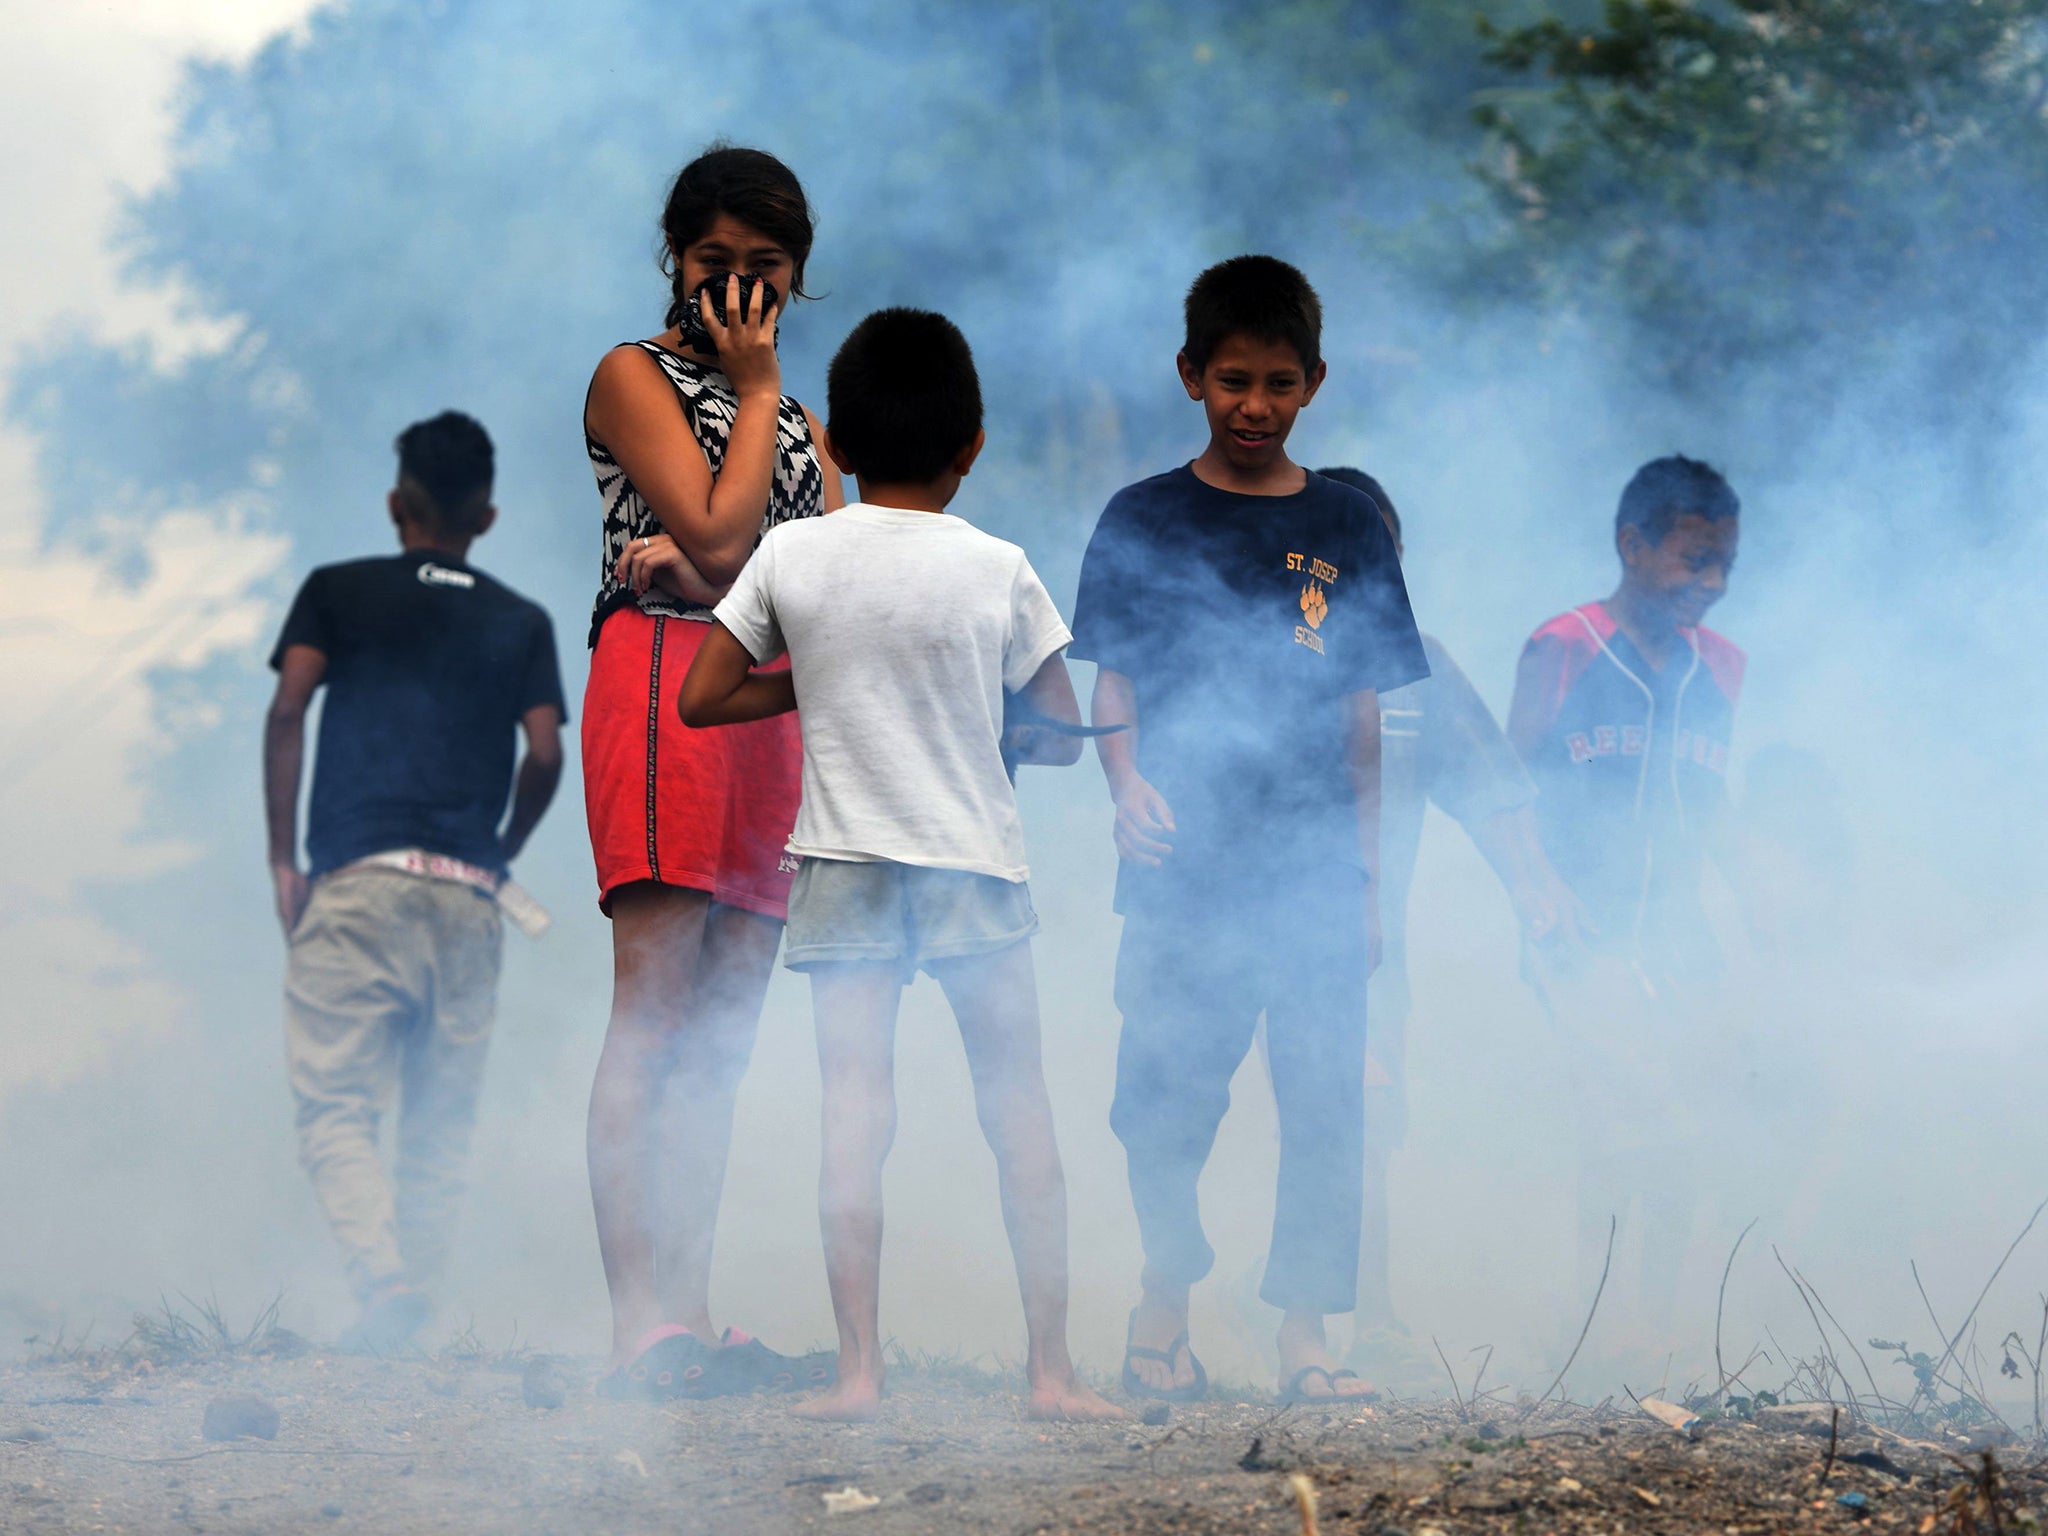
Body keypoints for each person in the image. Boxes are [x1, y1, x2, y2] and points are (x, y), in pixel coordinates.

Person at [677, 307, 1124, 1424]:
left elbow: (704, 696)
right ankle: (1051, 1375)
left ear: (832, 446)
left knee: (852, 1118)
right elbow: (1060, 733)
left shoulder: (792, 551)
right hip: (973, 862)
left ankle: (858, 1375)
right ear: (970, 446)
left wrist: (817, 676)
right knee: (1016, 1112)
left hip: (843, 866)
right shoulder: (999, 566)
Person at [1069, 257, 1429, 1406]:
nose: (1253, 406)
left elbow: (1359, 709)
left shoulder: (1344, 525)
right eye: (1232, 380)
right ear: (1189, 375)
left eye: (1278, 382)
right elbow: (1109, 680)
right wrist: (1121, 784)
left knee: (1324, 1101)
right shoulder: (1140, 516)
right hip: (1180, 866)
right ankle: (1162, 1302)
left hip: (1313, 867)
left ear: (1313, 384)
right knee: (1159, 1098)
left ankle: (1306, 1340)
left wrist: (1368, 879)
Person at [580, 145, 843, 1399]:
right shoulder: (634, 377)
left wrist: (712, 570)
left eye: (765, 273)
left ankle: (690, 1307)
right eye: (715, 268)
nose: (739, 294)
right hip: (661, 688)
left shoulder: (801, 424)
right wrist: (751, 389)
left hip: (771, 710)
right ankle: (642, 1322)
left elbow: (835, 582)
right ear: (674, 262)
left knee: (727, 1025)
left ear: (796, 274)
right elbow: (729, 531)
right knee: (657, 998)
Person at [264, 411, 565, 1353]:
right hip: (467, 897)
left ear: (398, 504)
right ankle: (413, 1315)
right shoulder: (522, 620)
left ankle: (383, 1282)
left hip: (357, 882)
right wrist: (501, 848)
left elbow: (288, 708)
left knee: (336, 1104)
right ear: (489, 515)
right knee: (442, 1116)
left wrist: (283, 858)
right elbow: (547, 753)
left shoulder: (336, 592)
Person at [1310, 468, 1585, 1389]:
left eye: (1380, 550)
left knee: (1369, 1118)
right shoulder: (1251, 653)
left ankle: (1371, 1316)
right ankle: (1249, 1313)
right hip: (1237, 942)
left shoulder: (1418, 669)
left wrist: (1536, 888)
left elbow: (1494, 787)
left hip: (1367, 952)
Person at [1504, 454, 1744, 1343]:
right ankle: (1599, 1329)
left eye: (1725, 565)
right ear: (1632, 546)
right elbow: (1505, 783)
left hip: (1679, 942)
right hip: (1581, 932)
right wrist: (1538, 886)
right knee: (1622, 1129)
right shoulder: (1563, 646)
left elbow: (1711, 808)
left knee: (1686, 1140)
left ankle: (1662, 1329)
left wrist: (1755, 910)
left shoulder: (1721, 667)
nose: (1712, 584)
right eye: (1694, 561)